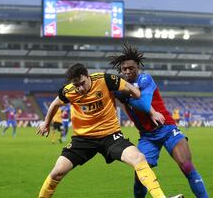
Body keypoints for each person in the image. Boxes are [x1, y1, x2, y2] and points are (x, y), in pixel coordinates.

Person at [37, 63, 183, 198]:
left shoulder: (105, 80)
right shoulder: (68, 91)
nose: (80, 88)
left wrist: (142, 104)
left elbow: (136, 93)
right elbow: (54, 105)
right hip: (83, 139)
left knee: (139, 158)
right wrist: (46, 123)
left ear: (88, 76)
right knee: (57, 172)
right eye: (77, 85)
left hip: (110, 136)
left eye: (83, 83)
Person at [110, 43, 208, 198]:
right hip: (147, 136)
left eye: (131, 68)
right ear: (120, 71)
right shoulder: (118, 89)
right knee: (140, 176)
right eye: (124, 69)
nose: (128, 71)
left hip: (167, 129)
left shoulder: (145, 79)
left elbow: (143, 103)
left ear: (138, 68)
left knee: (187, 166)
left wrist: (127, 97)